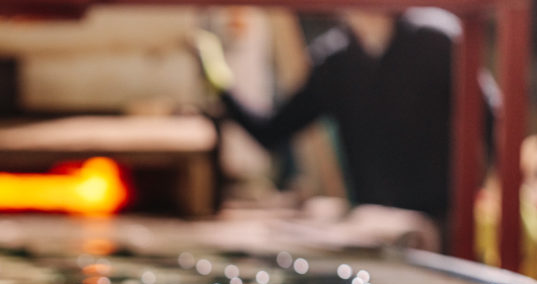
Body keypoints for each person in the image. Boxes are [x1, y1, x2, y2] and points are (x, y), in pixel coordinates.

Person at [198, 9, 499, 232]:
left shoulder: (437, 39)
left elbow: (492, 116)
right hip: (376, 227)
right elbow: (271, 132)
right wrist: (221, 84)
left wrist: (496, 190)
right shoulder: (335, 60)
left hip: (445, 223)